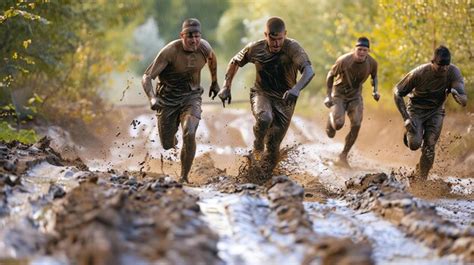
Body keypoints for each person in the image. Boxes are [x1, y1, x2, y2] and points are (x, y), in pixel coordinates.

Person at [218, 16, 314, 174]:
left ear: (285, 34)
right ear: (265, 35)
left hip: (286, 98)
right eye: (272, 38)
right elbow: (235, 61)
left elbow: (309, 71)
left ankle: (263, 176)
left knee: (274, 145)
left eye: (280, 39)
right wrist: (226, 86)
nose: (276, 43)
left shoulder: (293, 48)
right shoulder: (255, 48)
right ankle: (257, 144)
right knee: (265, 118)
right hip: (262, 93)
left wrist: (296, 89)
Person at [141, 18, 220, 183]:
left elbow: (212, 60)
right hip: (167, 100)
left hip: (191, 97)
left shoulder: (204, 48)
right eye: (190, 37)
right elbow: (147, 77)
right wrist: (152, 98)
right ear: (182, 36)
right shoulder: (170, 52)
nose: (194, 41)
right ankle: (172, 138)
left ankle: (184, 177)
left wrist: (214, 82)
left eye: (197, 36)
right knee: (167, 144)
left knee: (189, 132)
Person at [394, 45, 467, 180]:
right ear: (432, 62)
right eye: (440, 65)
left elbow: (463, 100)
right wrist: (406, 118)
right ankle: (408, 134)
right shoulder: (419, 73)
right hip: (416, 109)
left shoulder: (453, 72)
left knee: (430, 144)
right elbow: (397, 93)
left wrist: (457, 96)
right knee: (414, 144)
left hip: (436, 111)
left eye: (447, 65)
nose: (444, 68)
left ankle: (422, 179)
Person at [324, 37, 380, 167]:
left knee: (356, 124)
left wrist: (375, 91)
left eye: (364, 50)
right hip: (339, 95)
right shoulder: (344, 60)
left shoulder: (372, 63)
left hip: (355, 96)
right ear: (354, 49)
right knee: (338, 124)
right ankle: (332, 117)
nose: (361, 52)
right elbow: (330, 75)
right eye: (359, 49)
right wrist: (328, 96)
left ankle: (343, 155)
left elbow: (374, 77)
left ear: (368, 51)